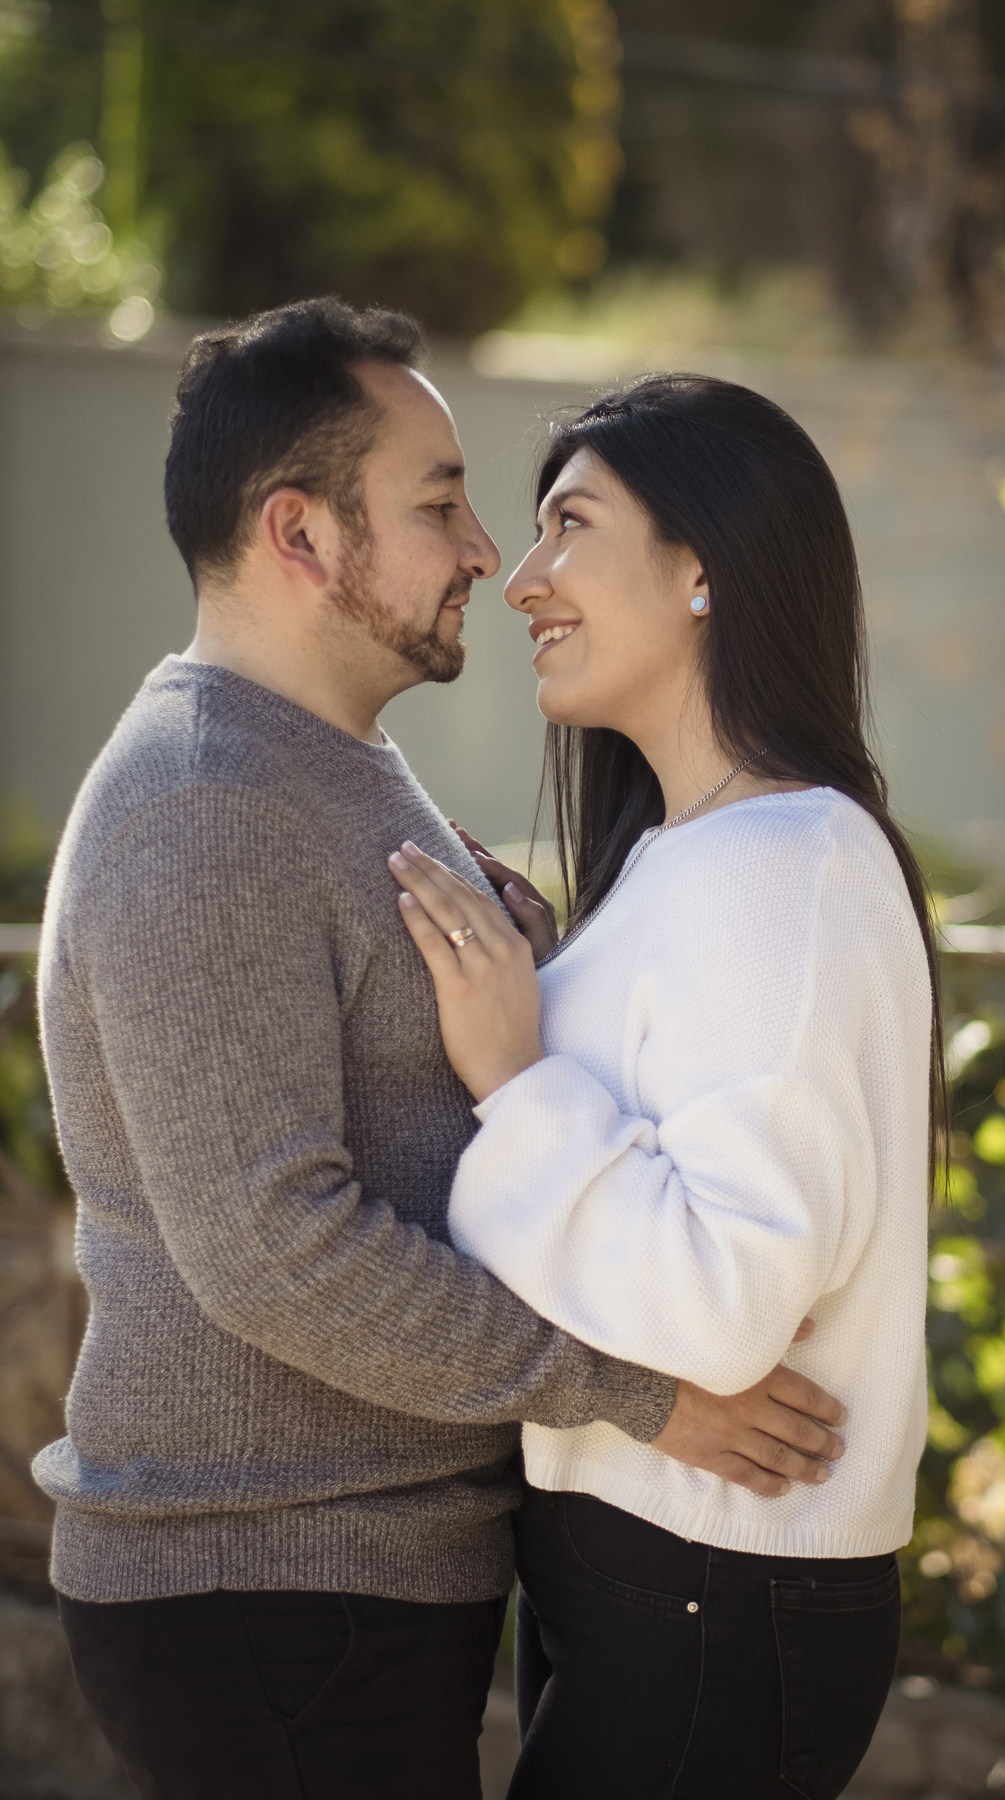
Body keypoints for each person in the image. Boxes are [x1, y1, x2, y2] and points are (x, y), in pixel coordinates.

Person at [32, 303, 846, 1800]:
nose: (488, 549)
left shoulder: (333, 766)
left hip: (353, 1582)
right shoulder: (205, 801)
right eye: (439, 503)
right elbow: (277, 1245)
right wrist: (643, 1388)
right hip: (263, 1593)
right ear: (300, 532)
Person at [388, 372, 944, 1800]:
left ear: (703, 568)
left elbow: (726, 1299)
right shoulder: (699, 862)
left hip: (714, 1576)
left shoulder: (782, 865)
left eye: (568, 526)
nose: (520, 583)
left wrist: (519, 1075)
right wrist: (555, 987)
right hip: (662, 1565)